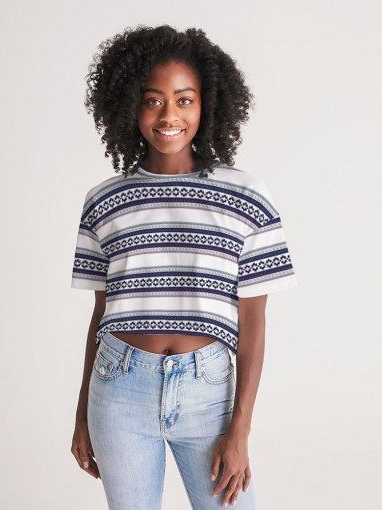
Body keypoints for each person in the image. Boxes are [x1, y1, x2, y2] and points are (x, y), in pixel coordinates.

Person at [70, 25, 298, 510]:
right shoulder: (104, 201)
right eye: (153, 100)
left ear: (206, 104)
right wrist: (81, 414)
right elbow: (102, 314)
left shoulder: (246, 197)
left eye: (184, 100)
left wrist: (241, 428)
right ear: (129, 106)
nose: (169, 115)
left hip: (208, 393)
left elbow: (253, 320)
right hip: (118, 389)